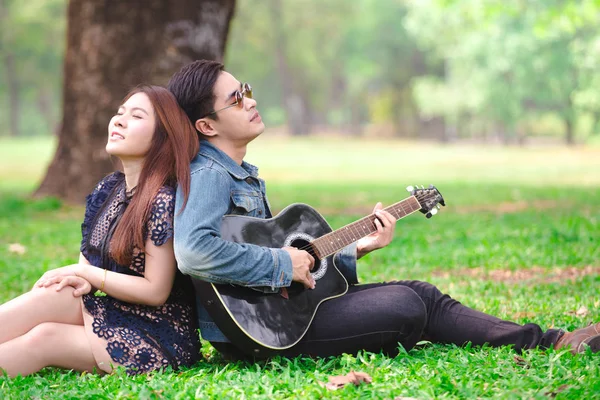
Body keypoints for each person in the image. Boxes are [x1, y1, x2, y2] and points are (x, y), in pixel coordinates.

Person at [167, 60, 599, 360]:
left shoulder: (242, 172)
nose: (250, 101)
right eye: (236, 99)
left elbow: (293, 259)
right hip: (260, 333)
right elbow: (193, 252)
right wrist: (283, 263)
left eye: (247, 91)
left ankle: (555, 341)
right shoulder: (209, 174)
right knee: (405, 306)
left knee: (422, 293)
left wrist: (359, 249)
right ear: (206, 126)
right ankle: (541, 341)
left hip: (282, 313)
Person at [0, 85, 201, 377]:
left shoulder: (162, 199)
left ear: (163, 136)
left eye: (136, 116)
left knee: (45, 337)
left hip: (159, 333)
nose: (118, 121)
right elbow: (87, 266)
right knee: (56, 294)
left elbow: (156, 291)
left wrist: (88, 275)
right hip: (116, 312)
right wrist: (78, 278)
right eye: (120, 113)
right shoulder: (108, 189)